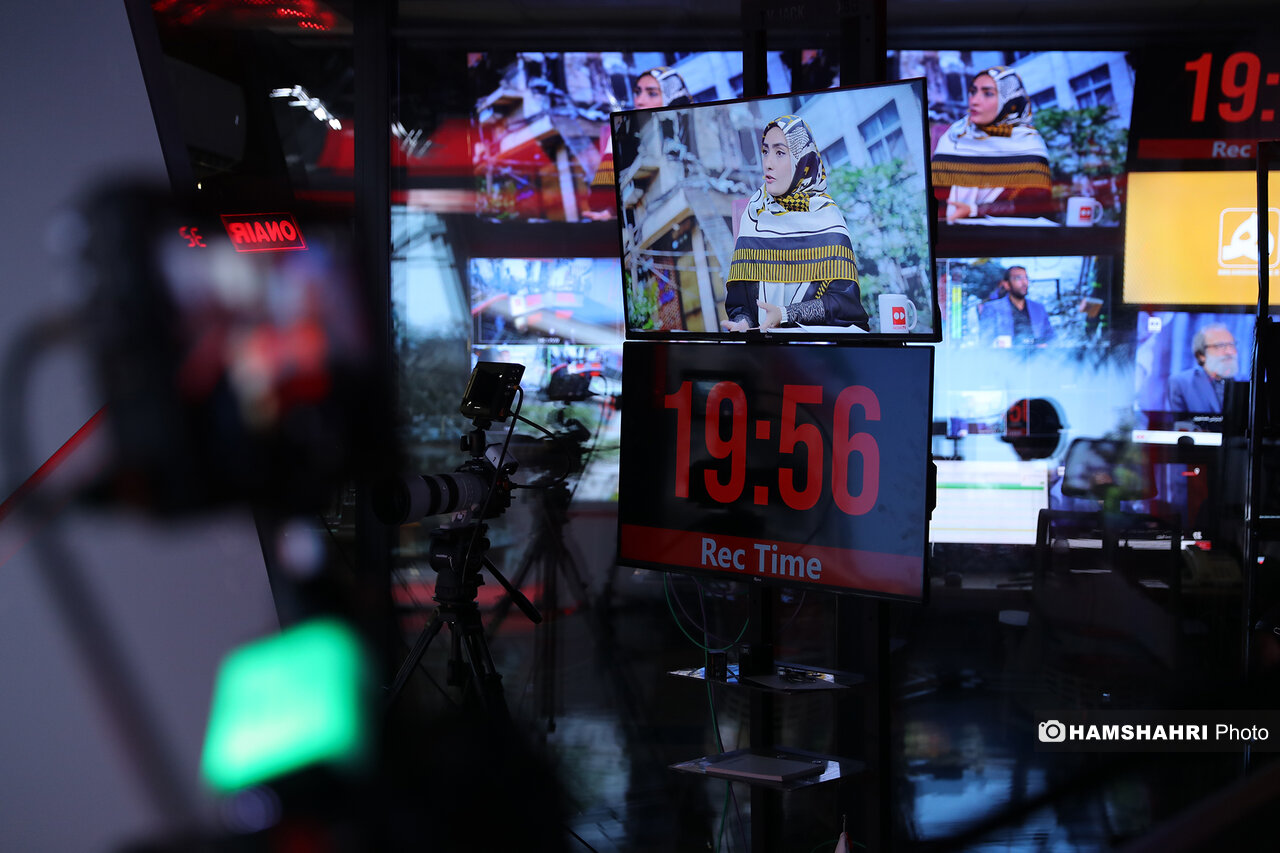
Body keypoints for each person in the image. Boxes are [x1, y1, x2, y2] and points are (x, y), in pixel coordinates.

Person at [720, 115, 868, 332]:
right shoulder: (754, 215)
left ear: (803, 160)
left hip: (816, 351)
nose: (768, 163)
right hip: (761, 350)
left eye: (780, 153)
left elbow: (844, 304)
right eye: (765, 151)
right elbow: (741, 303)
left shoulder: (827, 218)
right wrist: (743, 323)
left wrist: (786, 314)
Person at [930, 66, 1053, 223]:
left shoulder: (1029, 145)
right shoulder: (952, 138)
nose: (974, 101)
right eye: (973, 92)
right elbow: (932, 196)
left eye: (988, 94)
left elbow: (1035, 205)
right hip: (947, 233)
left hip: (1009, 236)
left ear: (1010, 101)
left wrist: (976, 210)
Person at [585, 66, 692, 220]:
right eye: (637, 92)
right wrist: (608, 214)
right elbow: (603, 198)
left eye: (652, 93)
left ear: (673, 97)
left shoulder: (697, 124)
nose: (639, 101)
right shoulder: (622, 133)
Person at [1168, 323, 1238, 414]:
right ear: (1201, 355)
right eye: (1220, 346)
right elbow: (1180, 421)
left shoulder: (1246, 381)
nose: (1229, 352)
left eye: (1231, 345)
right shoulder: (1181, 383)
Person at [978, 265, 1054, 346]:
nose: (1024, 282)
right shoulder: (992, 308)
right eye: (1018, 278)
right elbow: (985, 340)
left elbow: (1052, 338)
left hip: (1037, 353)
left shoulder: (1038, 308)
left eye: (1026, 278)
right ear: (1006, 284)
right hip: (1005, 353)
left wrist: (1045, 345)